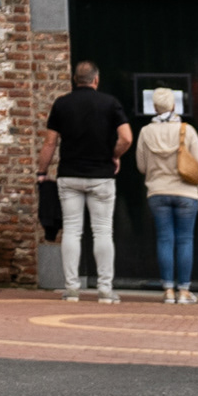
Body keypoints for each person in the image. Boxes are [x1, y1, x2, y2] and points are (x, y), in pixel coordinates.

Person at [41, 58, 133, 301]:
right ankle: (105, 289)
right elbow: (126, 138)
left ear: (75, 80)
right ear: (96, 80)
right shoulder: (110, 103)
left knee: (72, 230)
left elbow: (50, 142)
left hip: (69, 174)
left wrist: (42, 171)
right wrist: (114, 155)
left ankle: (71, 288)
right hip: (101, 176)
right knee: (102, 231)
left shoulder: (61, 104)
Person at [137, 86, 198, 303]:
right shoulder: (187, 130)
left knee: (164, 239)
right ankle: (184, 291)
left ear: (154, 107)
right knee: (185, 239)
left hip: (158, 191)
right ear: (174, 106)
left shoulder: (145, 132)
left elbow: (141, 166)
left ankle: (168, 290)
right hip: (185, 192)